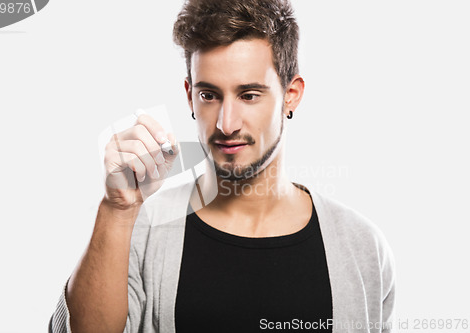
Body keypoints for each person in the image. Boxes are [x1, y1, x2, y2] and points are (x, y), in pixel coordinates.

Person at [49, 0, 396, 332]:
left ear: (291, 94)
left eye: (249, 95)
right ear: (189, 96)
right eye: (209, 95)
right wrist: (117, 209)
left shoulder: (361, 245)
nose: (226, 124)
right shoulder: (144, 231)